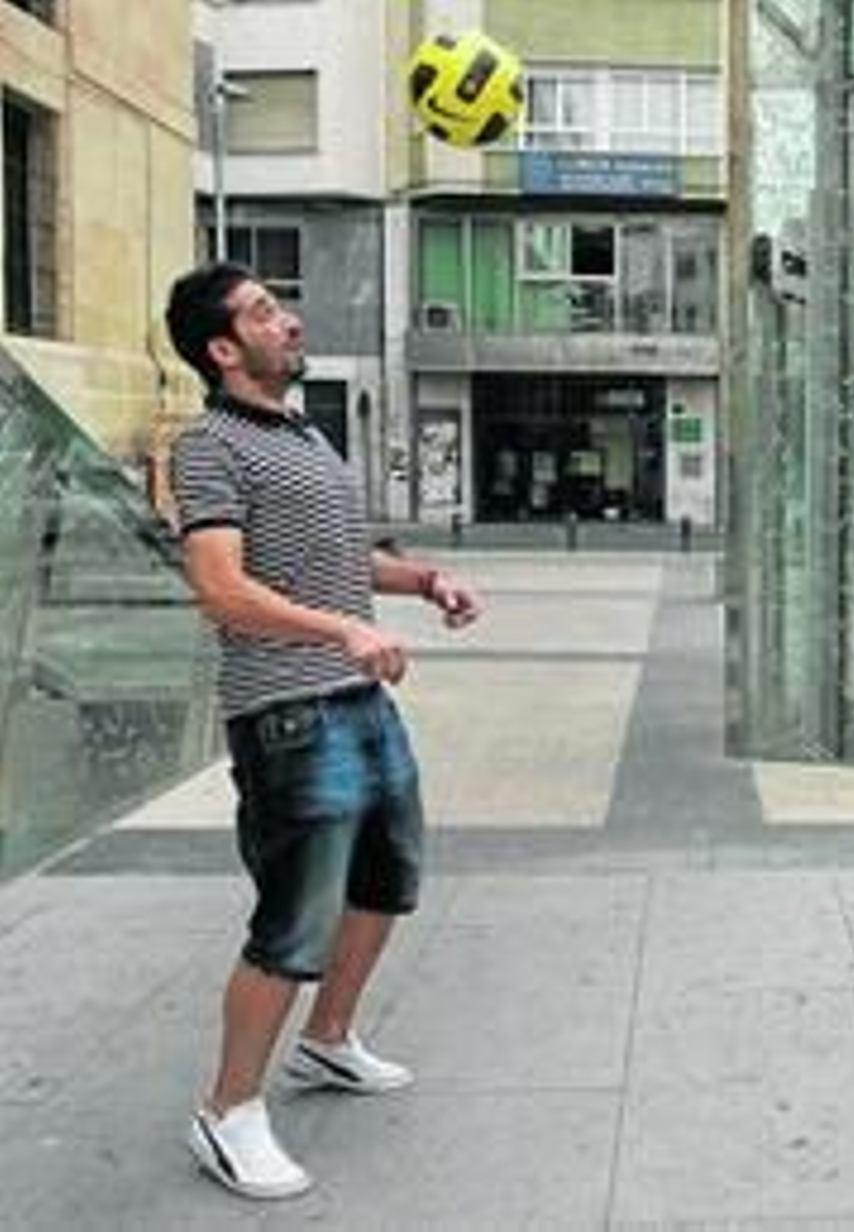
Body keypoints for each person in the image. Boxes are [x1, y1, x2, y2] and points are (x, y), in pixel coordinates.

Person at [164, 262, 483, 1199]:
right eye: (264, 312)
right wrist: (341, 628)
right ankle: (228, 1114)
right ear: (223, 349)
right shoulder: (209, 446)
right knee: (292, 921)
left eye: (280, 305)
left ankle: (329, 1039)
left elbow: (340, 561)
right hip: (288, 710)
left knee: (388, 878)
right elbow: (221, 589)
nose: (288, 320)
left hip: (356, 699)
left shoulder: (302, 434)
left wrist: (422, 581)